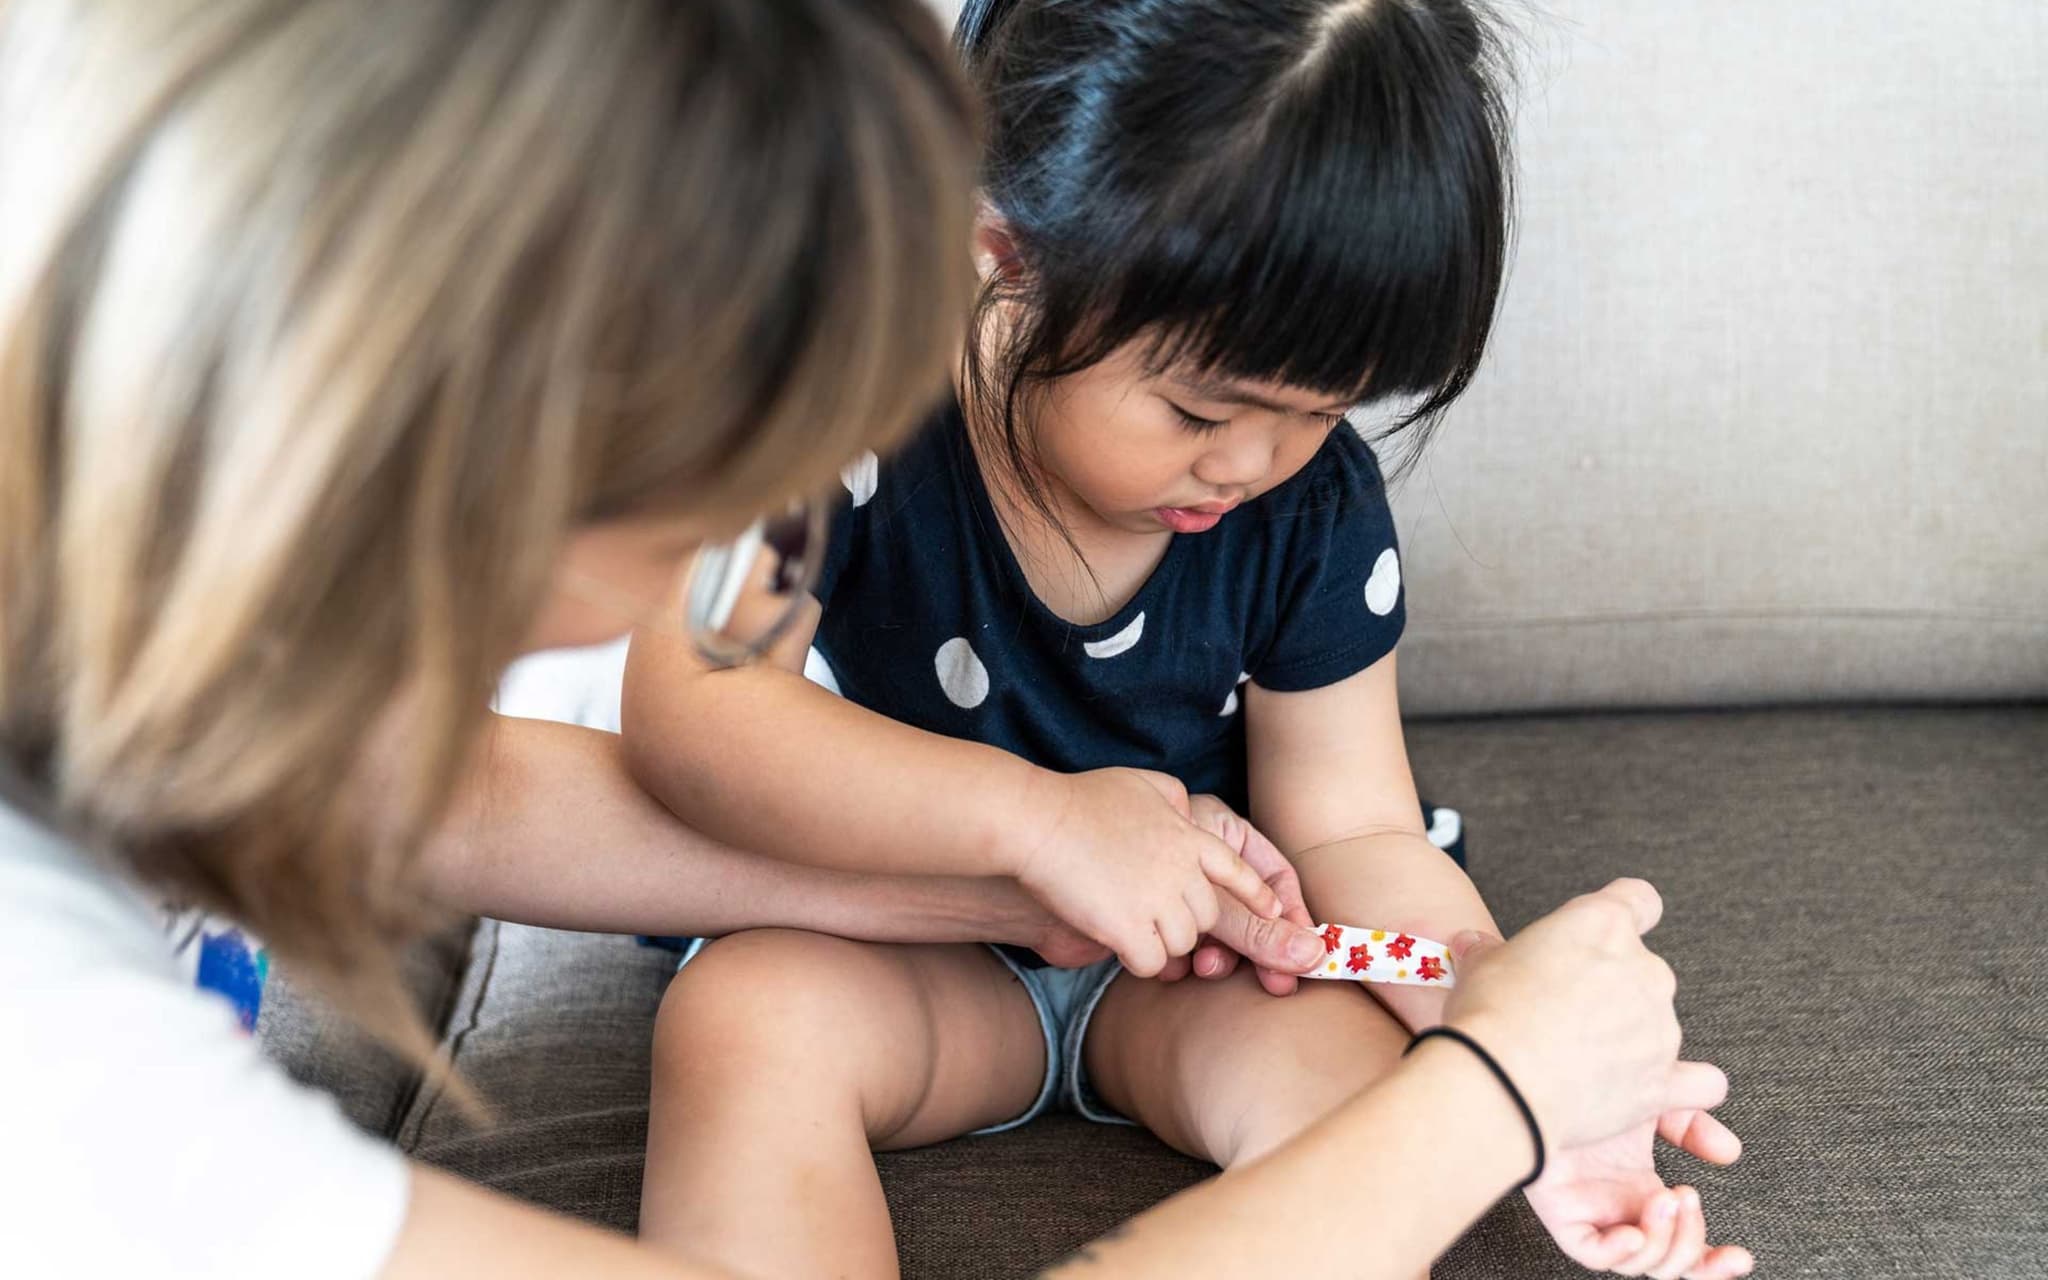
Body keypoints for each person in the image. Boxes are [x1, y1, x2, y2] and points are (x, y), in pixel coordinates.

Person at [0, 1, 1743, 1277]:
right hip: (924, 978)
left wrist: (1466, 1016)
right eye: (718, 469)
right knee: (754, 1019)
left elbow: (439, 786)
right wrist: (1491, 1095)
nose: (743, 569)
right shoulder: (76, 1080)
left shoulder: (174, 699)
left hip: (1189, 957)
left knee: (1325, 1062)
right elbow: (677, 739)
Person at [623, 2, 1749, 1278]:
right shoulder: (827, 399)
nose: (1253, 462)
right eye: (1197, 406)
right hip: (900, 933)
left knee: (1367, 1107)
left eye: (1319, 408)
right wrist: (1040, 824)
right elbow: (696, 710)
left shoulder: (1306, 507)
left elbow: (1353, 829)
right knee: (740, 1022)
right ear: (1008, 256)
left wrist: (1503, 1046)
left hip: (1203, 969)